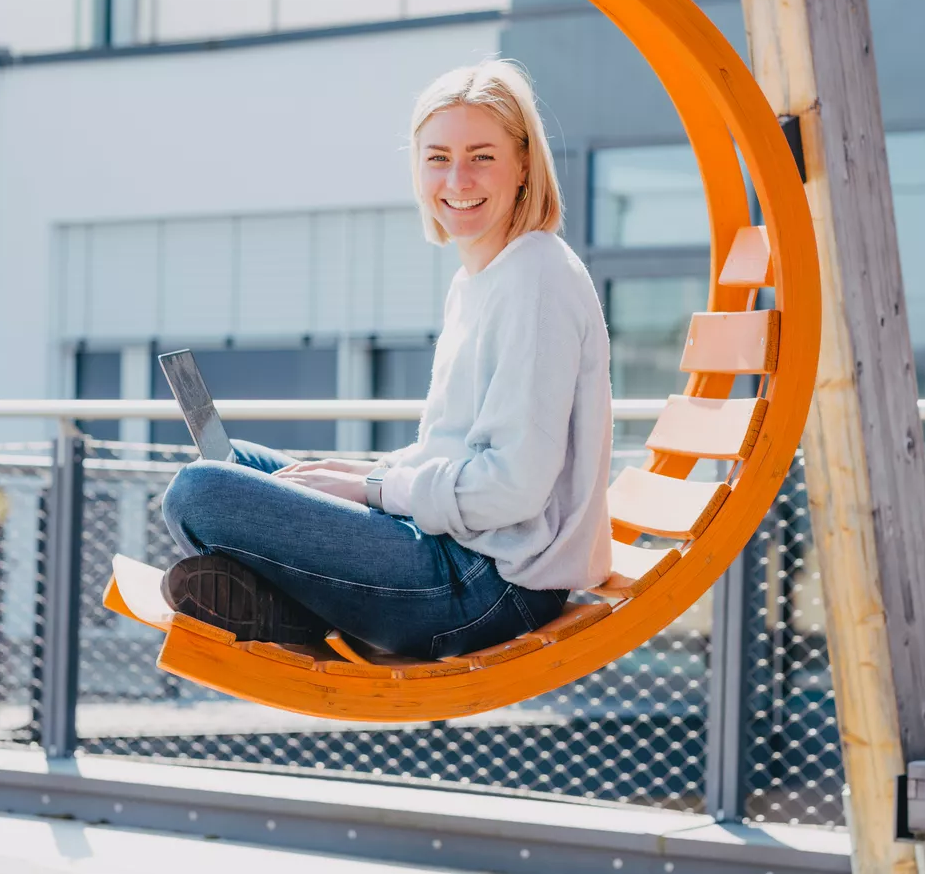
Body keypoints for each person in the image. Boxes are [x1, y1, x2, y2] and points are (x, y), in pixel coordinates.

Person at [159, 60, 613, 660]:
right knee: (240, 465)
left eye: (482, 156)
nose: (458, 178)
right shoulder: (481, 279)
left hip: (489, 585)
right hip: (460, 550)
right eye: (437, 158)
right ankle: (283, 607)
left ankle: (287, 610)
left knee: (201, 493)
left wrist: (371, 488)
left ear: (524, 162)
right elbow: (453, 453)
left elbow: (512, 490)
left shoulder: (536, 278)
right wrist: (356, 472)